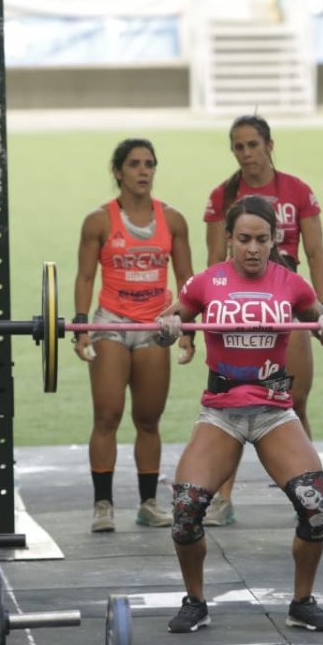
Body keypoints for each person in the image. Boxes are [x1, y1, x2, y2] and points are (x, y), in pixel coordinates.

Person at [157, 195, 323, 633]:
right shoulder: (205, 282)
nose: (253, 249)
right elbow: (172, 321)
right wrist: (167, 328)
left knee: (314, 503)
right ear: (229, 239)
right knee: (186, 509)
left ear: (275, 239)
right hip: (221, 413)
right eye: (243, 239)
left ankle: (302, 602)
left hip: (274, 411)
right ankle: (195, 601)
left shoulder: (291, 284)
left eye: (262, 239)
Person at [200, 115, 323, 526]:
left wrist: (322, 311)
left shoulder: (297, 191)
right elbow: (212, 262)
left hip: (286, 302)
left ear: (269, 145)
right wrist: (208, 315)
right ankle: (222, 499)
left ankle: (308, 493)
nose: (246, 154)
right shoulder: (223, 194)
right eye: (238, 147)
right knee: (234, 400)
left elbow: (316, 253)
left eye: (253, 145)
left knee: (295, 398)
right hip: (237, 304)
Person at [74, 138, 194, 533]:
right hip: (111, 323)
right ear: (118, 172)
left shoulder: (173, 220)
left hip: (154, 327)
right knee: (107, 415)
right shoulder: (99, 221)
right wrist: (81, 328)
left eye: (149, 164)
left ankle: (148, 503)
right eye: (135, 164)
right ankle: (103, 505)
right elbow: (86, 276)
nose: (144, 171)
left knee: (148, 419)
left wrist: (188, 331)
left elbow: (187, 281)